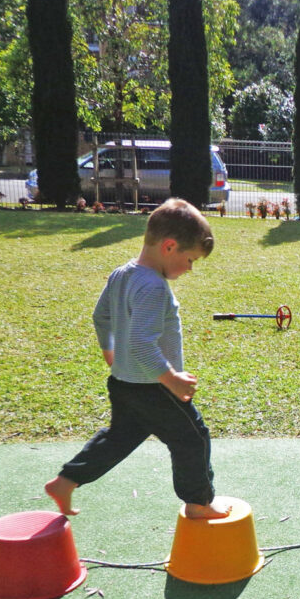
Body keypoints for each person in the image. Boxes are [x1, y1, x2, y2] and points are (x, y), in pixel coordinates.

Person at [44, 198, 231, 520]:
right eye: (190, 259)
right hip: (154, 388)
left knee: (118, 439)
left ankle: (66, 480)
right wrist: (171, 379)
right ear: (170, 246)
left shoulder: (122, 274)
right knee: (192, 438)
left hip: (123, 383)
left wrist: (110, 352)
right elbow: (142, 344)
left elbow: (101, 317)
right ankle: (199, 503)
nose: (190, 268)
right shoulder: (154, 287)